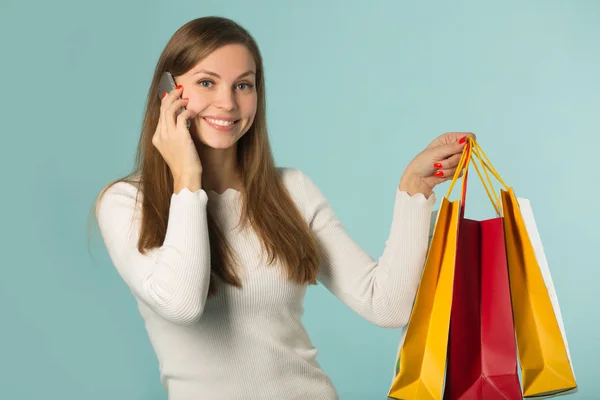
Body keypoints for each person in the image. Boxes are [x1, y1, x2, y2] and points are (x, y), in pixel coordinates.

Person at [93, 16, 474, 400]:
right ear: (168, 91)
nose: (227, 102)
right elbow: (182, 303)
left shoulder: (291, 190)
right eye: (206, 82)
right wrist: (187, 177)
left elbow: (387, 305)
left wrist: (415, 189)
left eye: (243, 85)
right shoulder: (126, 203)